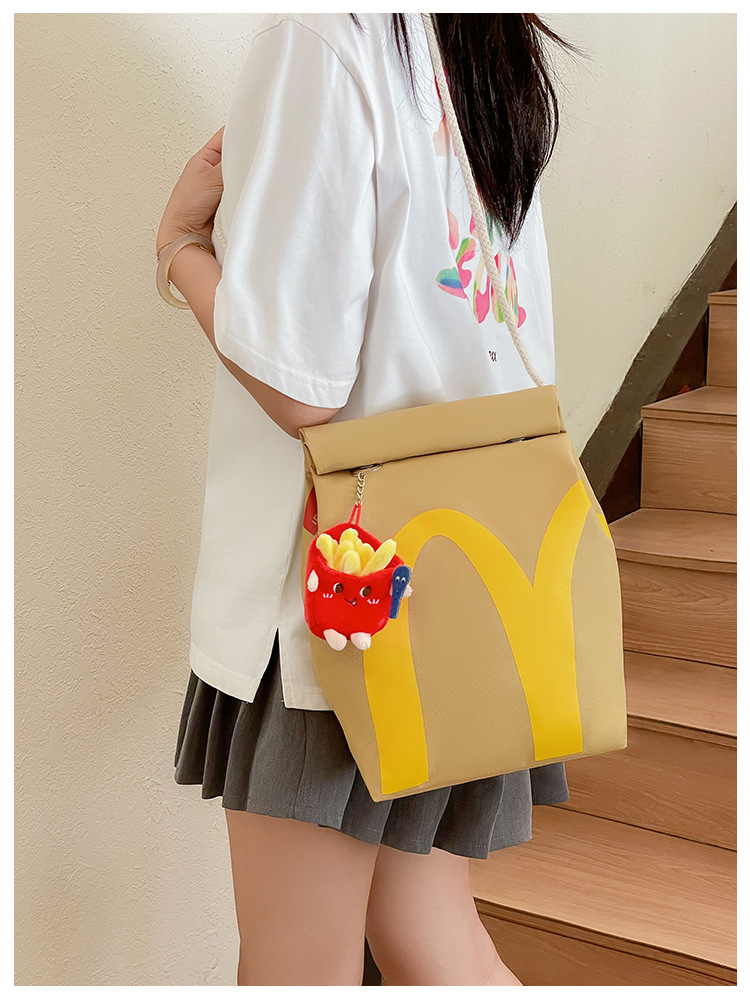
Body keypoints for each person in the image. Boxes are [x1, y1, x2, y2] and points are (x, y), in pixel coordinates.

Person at [158, 13, 580, 987]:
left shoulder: (323, 35)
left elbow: (301, 389)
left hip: (341, 601)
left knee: (298, 968)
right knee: (433, 935)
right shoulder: (481, 44)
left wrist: (180, 246)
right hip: (465, 585)